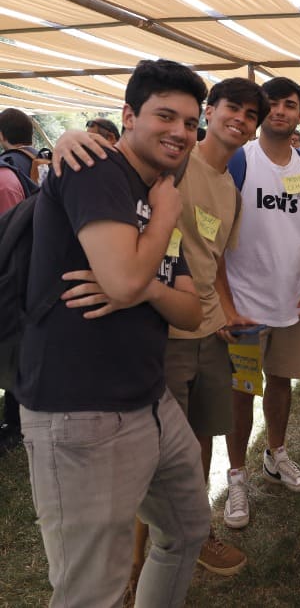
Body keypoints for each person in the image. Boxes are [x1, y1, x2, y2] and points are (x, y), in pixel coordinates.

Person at [52, 77, 270, 591]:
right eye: (229, 110)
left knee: (198, 439)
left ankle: (190, 536)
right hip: (158, 332)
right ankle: (134, 563)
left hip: (207, 326)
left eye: (250, 115)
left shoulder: (229, 190)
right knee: (142, 461)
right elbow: (118, 167)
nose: (239, 121)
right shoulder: (170, 161)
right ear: (210, 113)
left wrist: (227, 312)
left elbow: (212, 261)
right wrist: (71, 140)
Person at [15, 59, 211, 607]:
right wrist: (152, 245)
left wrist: (145, 287)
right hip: (81, 415)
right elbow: (122, 278)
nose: (180, 131)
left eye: (190, 122)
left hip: (150, 400)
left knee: (187, 529)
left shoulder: (159, 187)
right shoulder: (96, 169)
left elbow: (189, 311)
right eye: (165, 116)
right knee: (89, 592)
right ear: (128, 116)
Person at [221, 77, 300, 529]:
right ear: (260, 109)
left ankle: (276, 454)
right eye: (273, 104)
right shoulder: (237, 160)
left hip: (293, 303)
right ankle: (236, 477)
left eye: (291, 104)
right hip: (244, 307)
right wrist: (225, 304)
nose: (281, 111)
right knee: (241, 392)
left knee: (282, 383)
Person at [0, 108, 37, 452]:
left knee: (12, 348)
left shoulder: (7, 173)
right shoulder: (35, 161)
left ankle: (14, 423)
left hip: (15, 274)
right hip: (29, 274)